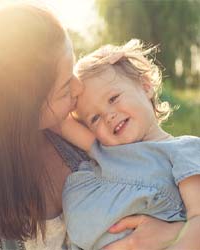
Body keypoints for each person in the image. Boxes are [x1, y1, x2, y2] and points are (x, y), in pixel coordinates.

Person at [0, 2, 185, 250]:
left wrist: (177, 233)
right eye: (64, 88)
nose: (78, 88)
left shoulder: (77, 132)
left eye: (72, 67)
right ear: (24, 112)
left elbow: (158, 163)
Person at [59, 39, 200, 250]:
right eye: (94, 118)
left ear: (146, 86)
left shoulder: (183, 151)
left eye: (113, 98)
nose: (108, 116)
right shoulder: (103, 151)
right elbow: (55, 118)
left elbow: (197, 221)